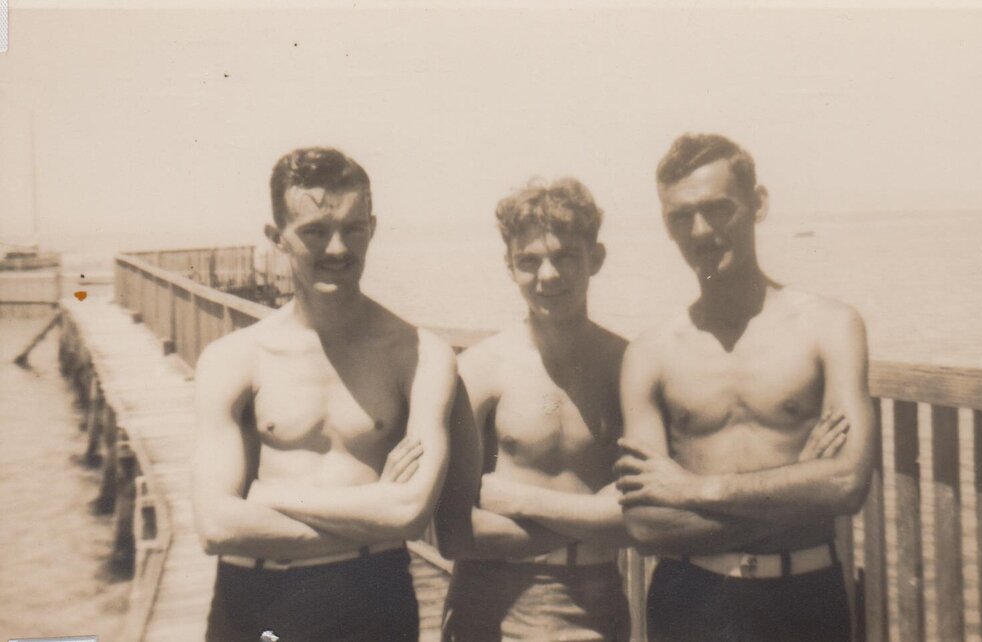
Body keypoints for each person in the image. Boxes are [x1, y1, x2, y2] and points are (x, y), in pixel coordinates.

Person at [615, 133, 875, 641]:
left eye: (718, 208)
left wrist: (696, 489)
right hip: (691, 600)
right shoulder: (650, 353)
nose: (702, 231)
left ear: (757, 204)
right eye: (680, 217)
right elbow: (645, 525)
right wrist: (800, 486)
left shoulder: (830, 326)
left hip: (805, 598)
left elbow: (847, 484)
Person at [191, 147, 457, 641]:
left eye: (353, 228)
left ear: (372, 229)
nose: (337, 249)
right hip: (256, 599)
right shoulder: (234, 359)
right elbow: (215, 524)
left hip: (372, 596)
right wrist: (374, 506)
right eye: (314, 231)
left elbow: (410, 512)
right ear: (277, 239)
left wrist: (268, 495)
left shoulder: (419, 354)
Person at [435, 178, 632, 641]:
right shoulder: (479, 371)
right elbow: (454, 534)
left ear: (595, 258)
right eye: (529, 261)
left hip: (596, 601)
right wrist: (595, 520)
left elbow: (646, 520)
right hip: (491, 601)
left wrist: (524, 502)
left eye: (564, 255)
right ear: (509, 266)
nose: (548, 275)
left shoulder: (627, 367)